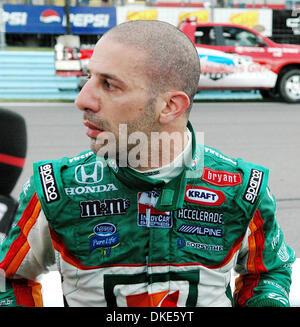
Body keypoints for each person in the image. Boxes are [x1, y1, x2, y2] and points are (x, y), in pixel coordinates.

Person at [0, 20, 295, 307]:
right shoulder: (54, 188)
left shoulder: (244, 188)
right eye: (89, 77)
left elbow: (267, 272)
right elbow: (9, 279)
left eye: (109, 85)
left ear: (169, 106)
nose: (83, 99)